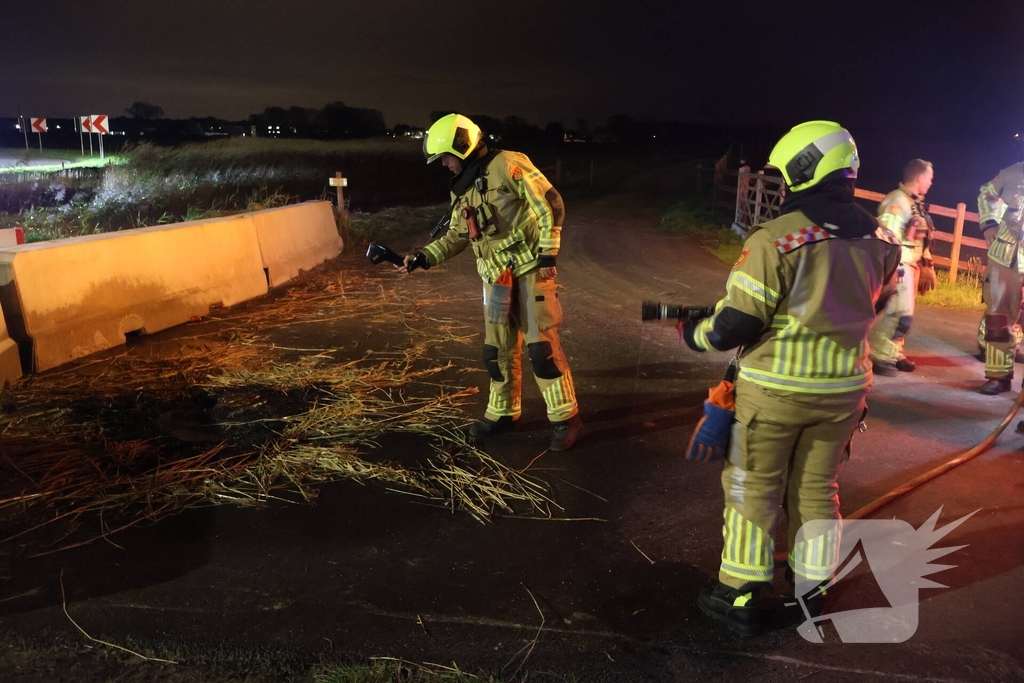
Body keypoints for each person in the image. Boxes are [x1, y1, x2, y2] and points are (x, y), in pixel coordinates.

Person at [681, 121, 901, 635]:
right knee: (817, 489)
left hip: (776, 390)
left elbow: (736, 323)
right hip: (845, 391)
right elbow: (880, 301)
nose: (783, 182)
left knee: (752, 486)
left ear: (805, 168)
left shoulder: (778, 237)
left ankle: (740, 593)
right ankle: (811, 590)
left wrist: (694, 334)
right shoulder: (884, 239)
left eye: (787, 172)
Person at [398, 113, 583, 451]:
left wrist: (548, 254)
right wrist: (423, 257)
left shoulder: (508, 164)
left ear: (462, 146)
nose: (445, 166)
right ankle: (503, 413)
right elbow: (457, 234)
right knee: (496, 350)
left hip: (529, 270)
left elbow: (551, 204)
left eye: (446, 158)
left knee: (541, 348)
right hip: (496, 278)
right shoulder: (462, 188)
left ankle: (564, 417)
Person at [868, 159, 936, 375]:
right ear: (919, 178)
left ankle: (893, 352)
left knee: (903, 315)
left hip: (912, 266)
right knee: (898, 313)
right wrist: (894, 270)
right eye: (929, 178)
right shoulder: (897, 202)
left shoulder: (915, 203)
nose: (931, 183)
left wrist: (928, 265)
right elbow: (887, 238)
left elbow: (921, 239)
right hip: (900, 265)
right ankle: (877, 354)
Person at [977, 162, 1024, 394]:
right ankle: (998, 376)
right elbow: (986, 194)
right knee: (997, 317)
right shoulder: (1011, 173)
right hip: (1005, 256)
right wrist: (989, 225)